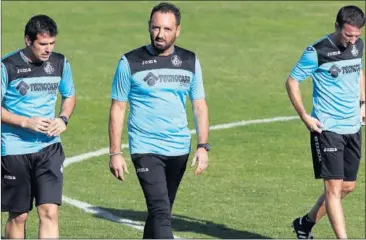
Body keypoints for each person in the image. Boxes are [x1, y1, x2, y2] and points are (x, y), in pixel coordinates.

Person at [108, 2, 209, 239]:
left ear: (178, 30)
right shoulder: (130, 62)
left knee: (159, 212)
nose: (160, 34)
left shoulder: (189, 61)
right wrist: (115, 152)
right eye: (155, 28)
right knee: (161, 212)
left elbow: (199, 105)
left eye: (166, 29)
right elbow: (118, 108)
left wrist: (203, 146)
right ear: (148, 27)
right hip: (145, 148)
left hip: (178, 149)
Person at [286, 5, 365, 239]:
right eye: (347, 34)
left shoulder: (357, 46)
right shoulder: (316, 52)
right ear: (337, 27)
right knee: (332, 189)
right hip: (327, 128)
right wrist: (304, 116)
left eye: (357, 36)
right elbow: (292, 82)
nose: (352, 41)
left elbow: (359, 71)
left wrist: (363, 103)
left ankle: (305, 224)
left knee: (347, 187)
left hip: (353, 127)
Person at [1, 15, 76, 239]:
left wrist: (63, 119)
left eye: (52, 44)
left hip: (49, 148)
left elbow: (69, 96)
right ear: (28, 40)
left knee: (50, 211)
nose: (48, 50)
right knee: (19, 215)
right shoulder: (7, 66)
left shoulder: (60, 63)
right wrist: (26, 122)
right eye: (42, 44)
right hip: (14, 150)